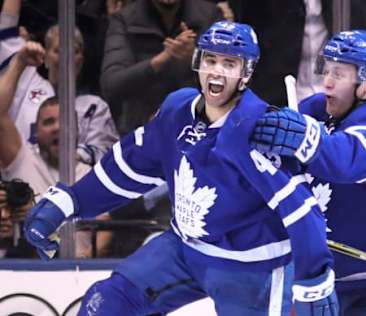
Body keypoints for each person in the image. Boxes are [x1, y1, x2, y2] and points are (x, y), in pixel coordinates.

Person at [23, 21, 338, 316]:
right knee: (106, 303)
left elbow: (300, 211)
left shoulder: (258, 131)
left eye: (230, 64)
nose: (217, 71)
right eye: (211, 60)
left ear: (246, 74)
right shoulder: (177, 110)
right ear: (198, 61)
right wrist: (72, 201)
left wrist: (313, 278)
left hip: (253, 269)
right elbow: (130, 164)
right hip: (184, 250)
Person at [251, 30, 366, 315]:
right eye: (326, 70)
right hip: (334, 282)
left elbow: (347, 159)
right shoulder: (316, 109)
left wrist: (303, 139)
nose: (326, 82)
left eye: (338, 74)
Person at [0, 42, 112, 259]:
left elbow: (104, 226)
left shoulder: (91, 174)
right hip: (23, 269)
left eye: (65, 120)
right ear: (37, 131)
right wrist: (20, 62)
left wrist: (85, 259)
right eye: (49, 122)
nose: (58, 127)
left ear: (78, 129)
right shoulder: (23, 158)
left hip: (76, 272)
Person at [0, 0, 119, 166]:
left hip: (70, 185)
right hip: (22, 180)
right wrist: (20, 60)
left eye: (74, 50)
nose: (66, 56)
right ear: (46, 56)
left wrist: (63, 158)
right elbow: (6, 27)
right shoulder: (26, 79)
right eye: (58, 50)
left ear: (82, 60)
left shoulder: (95, 106)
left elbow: (105, 153)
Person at [100, 0, 223, 135]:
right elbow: (111, 84)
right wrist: (160, 60)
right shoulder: (124, 20)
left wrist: (195, 58)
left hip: (200, 131)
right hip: (141, 131)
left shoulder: (210, 15)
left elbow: (233, 81)